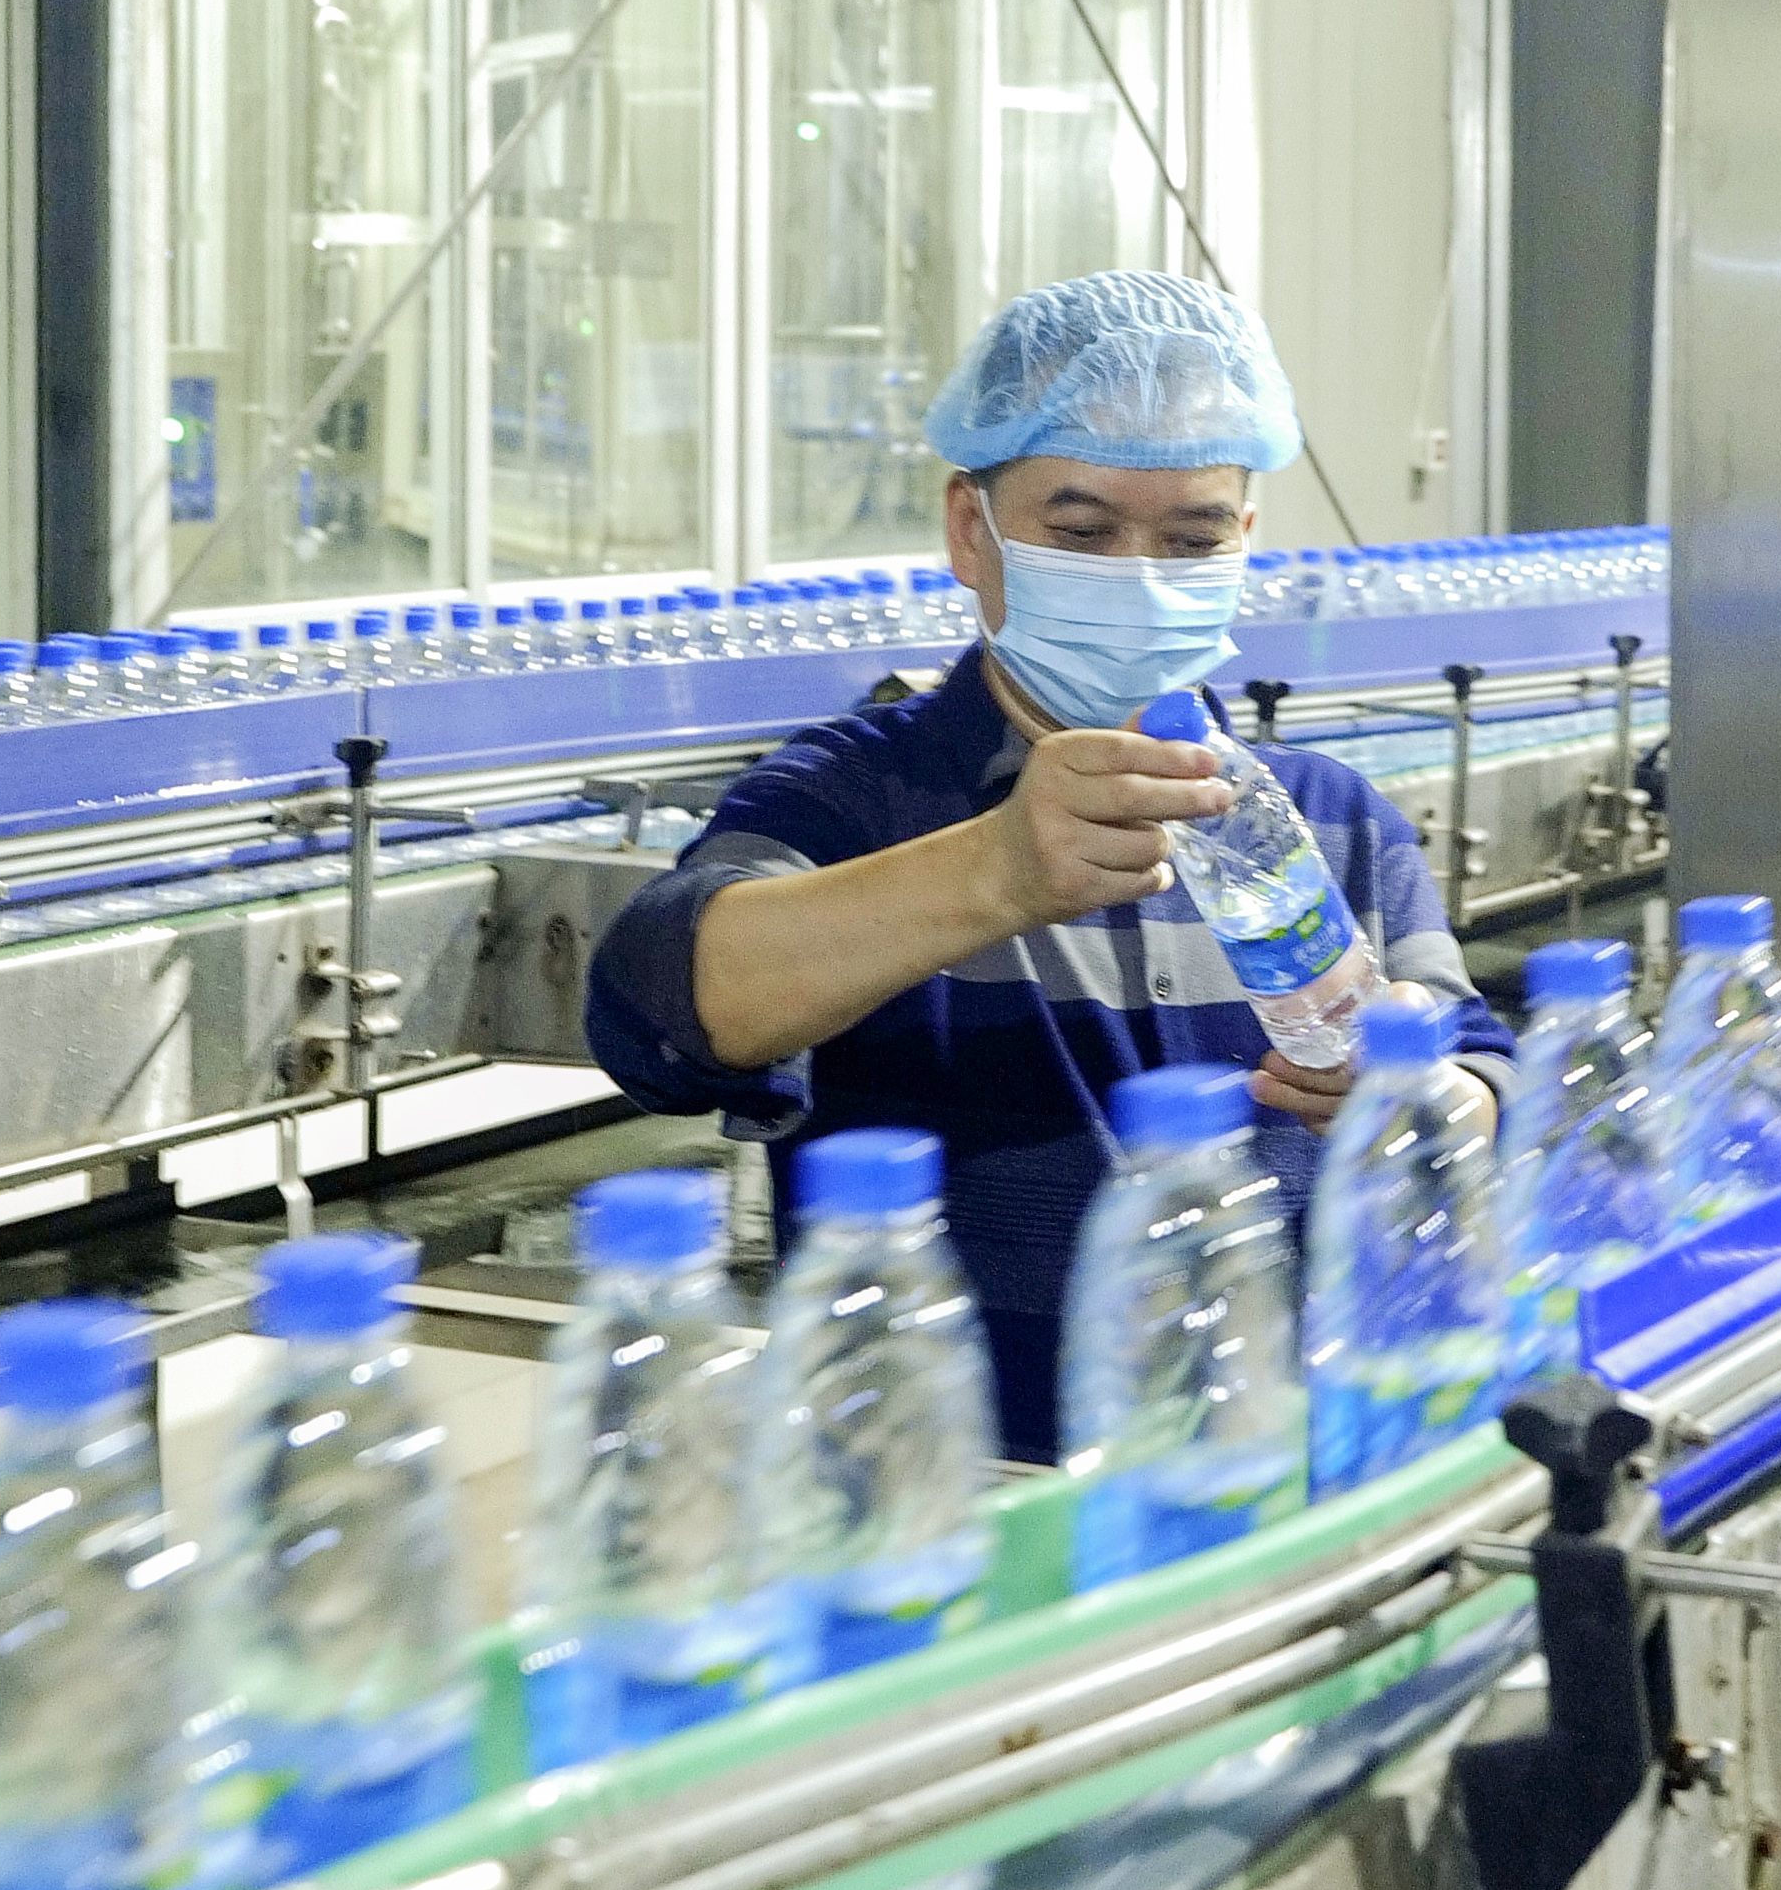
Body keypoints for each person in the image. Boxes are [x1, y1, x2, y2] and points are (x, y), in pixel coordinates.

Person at [586, 270, 1513, 1461]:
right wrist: (991, 872)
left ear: (1244, 541)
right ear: (970, 531)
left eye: (1190, 538)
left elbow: (1475, 1060)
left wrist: (1435, 1097)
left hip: (1285, 1466)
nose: (1140, 575)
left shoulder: (1332, 819)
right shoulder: (852, 799)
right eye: (1081, 534)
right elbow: (658, 1016)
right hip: (966, 1488)